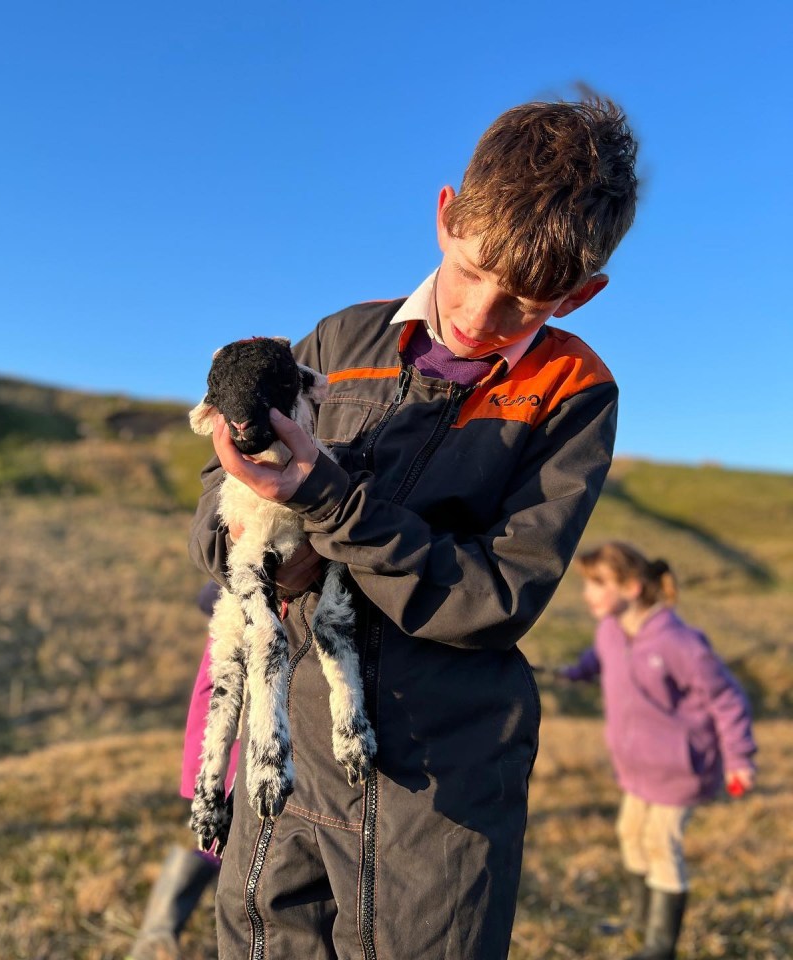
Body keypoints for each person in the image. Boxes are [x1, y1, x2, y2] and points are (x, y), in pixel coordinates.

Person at [190, 92, 638, 959]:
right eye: (472, 273)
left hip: (439, 792)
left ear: (581, 296)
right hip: (289, 759)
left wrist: (328, 502)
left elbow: (497, 598)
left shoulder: (575, 395)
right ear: (445, 215)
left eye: (526, 302)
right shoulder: (336, 337)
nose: (480, 317)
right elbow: (217, 503)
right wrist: (248, 544)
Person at [557, 542, 756, 960]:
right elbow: (600, 658)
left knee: (661, 844)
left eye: (598, 584)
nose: (587, 594)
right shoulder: (610, 628)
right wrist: (576, 672)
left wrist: (738, 760)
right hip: (636, 767)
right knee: (630, 833)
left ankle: (660, 947)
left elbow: (728, 699)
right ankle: (640, 921)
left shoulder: (679, 642)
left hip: (678, 770)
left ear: (631, 587)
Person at [128, 580, 239, 960]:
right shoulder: (234, 634)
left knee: (218, 851)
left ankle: (155, 938)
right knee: (218, 848)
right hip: (229, 766)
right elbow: (209, 704)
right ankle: (156, 939)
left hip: (226, 765)